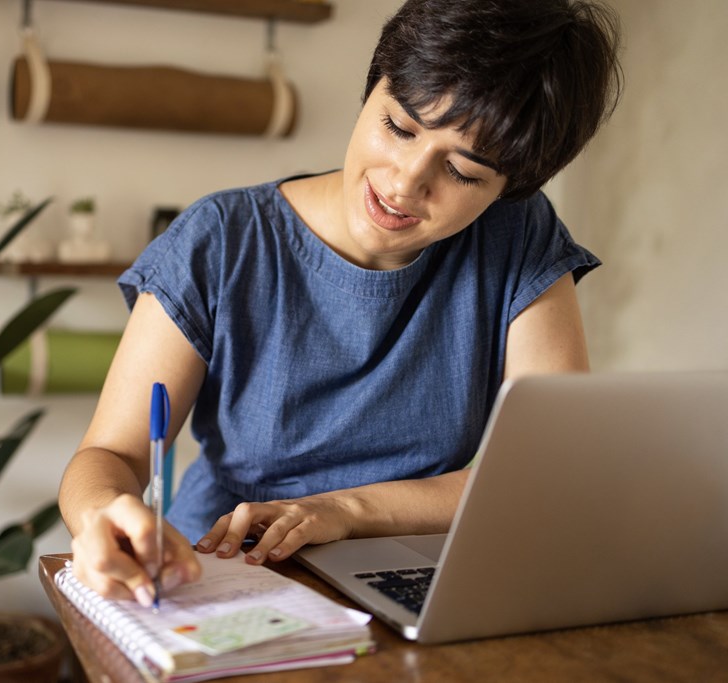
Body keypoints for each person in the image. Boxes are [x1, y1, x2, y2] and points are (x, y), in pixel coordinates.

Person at [58, 0, 623, 608]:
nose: (405, 181)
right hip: (224, 568)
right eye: (399, 128)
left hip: (411, 571)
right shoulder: (220, 240)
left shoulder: (517, 237)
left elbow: (544, 476)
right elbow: (110, 454)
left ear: (511, 187)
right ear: (371, 89)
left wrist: (345, 509)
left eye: (461, 171)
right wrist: (103, 513)